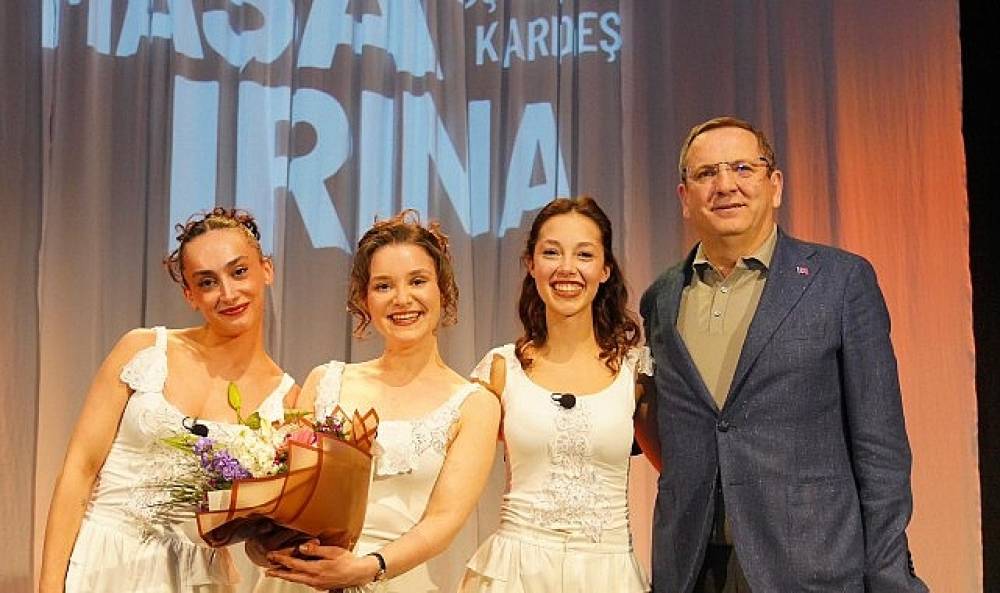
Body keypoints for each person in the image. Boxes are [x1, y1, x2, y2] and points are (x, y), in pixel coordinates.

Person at [640, 116, 929, 592]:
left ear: (774, 186)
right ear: (685, 197)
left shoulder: (840, 282)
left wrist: (889, 577)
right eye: (706, 173)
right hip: (691, 569)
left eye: (742, 168)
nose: (725, 185)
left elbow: (881, 450)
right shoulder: (661, 298)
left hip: (812, 570)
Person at [38, 208, 299, 593]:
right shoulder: (143, 349)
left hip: (195, 579)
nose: (228, 294)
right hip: (101, 562)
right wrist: (48, 584)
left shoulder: (286, 399)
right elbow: (80, 469)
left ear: (267, 270)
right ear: (190, 294)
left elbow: (265, 532)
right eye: (207, 282)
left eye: (239, 272)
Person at [256, 210, 501, 593]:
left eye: (417, 281)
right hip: (304, 579)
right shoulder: (325, 381)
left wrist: (367, 567)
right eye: (383, 286)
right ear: (364, 299)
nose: (402, 299)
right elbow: (284, 493)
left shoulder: (474, 404)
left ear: (443, 290)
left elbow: (443, 521)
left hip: (395, 580)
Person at [459, 196, 655, 593]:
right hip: (515, 574)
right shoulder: (501, 368)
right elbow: (456, 475)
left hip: (609, 574)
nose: (567, 268)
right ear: (531, 264)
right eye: (551, 252)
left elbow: (678, 472)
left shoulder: (636, 371)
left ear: (605, 269)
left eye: (584, 254)